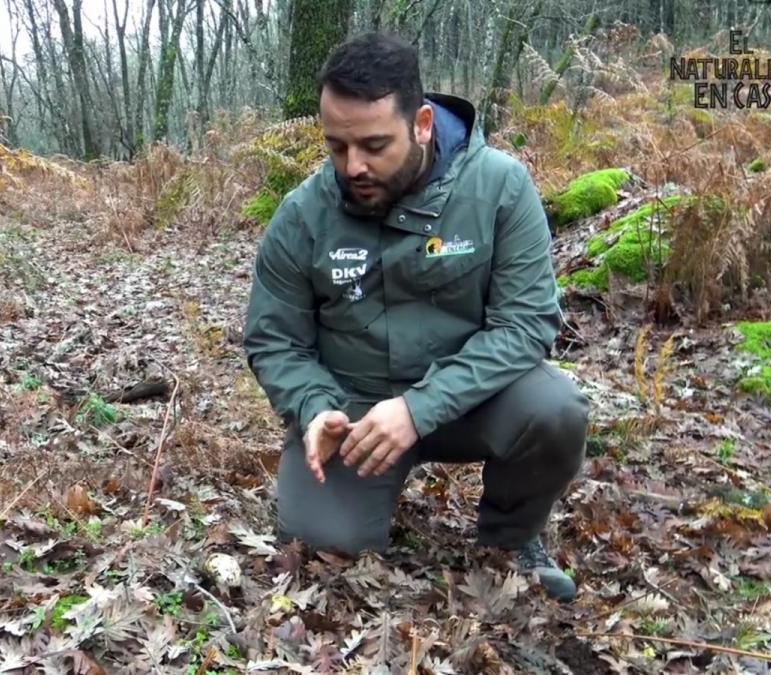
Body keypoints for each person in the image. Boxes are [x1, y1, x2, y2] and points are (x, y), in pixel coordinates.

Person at [241, 31, 591, 602]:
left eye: (375, 146)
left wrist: (418, 407)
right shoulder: (303, 214)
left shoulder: (499, 188)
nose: (352, 166)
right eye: (336, 146)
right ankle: (354, 499)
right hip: (355, 415)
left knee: (555, 410)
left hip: (472, 399)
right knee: (327, 540)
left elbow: (526, 324)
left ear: (422, 123)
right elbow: (273, 338)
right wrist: (312, 406)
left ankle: (511, 537)